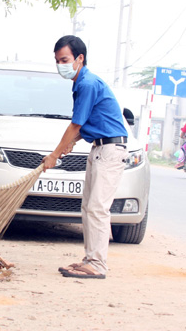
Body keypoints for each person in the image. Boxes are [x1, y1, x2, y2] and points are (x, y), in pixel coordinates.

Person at [42, 35, 129, 279]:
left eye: (65, 60)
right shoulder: (82, 82)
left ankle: (97, 266)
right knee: (88, 208)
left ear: (80, 58)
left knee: (98, 208)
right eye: (58, 61)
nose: (61, 65)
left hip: (110, 151)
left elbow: (76, 125)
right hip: (100, 149)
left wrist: (54, 154)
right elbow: (89, 123)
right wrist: (70, 143)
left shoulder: (88, 84)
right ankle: (90, 260)